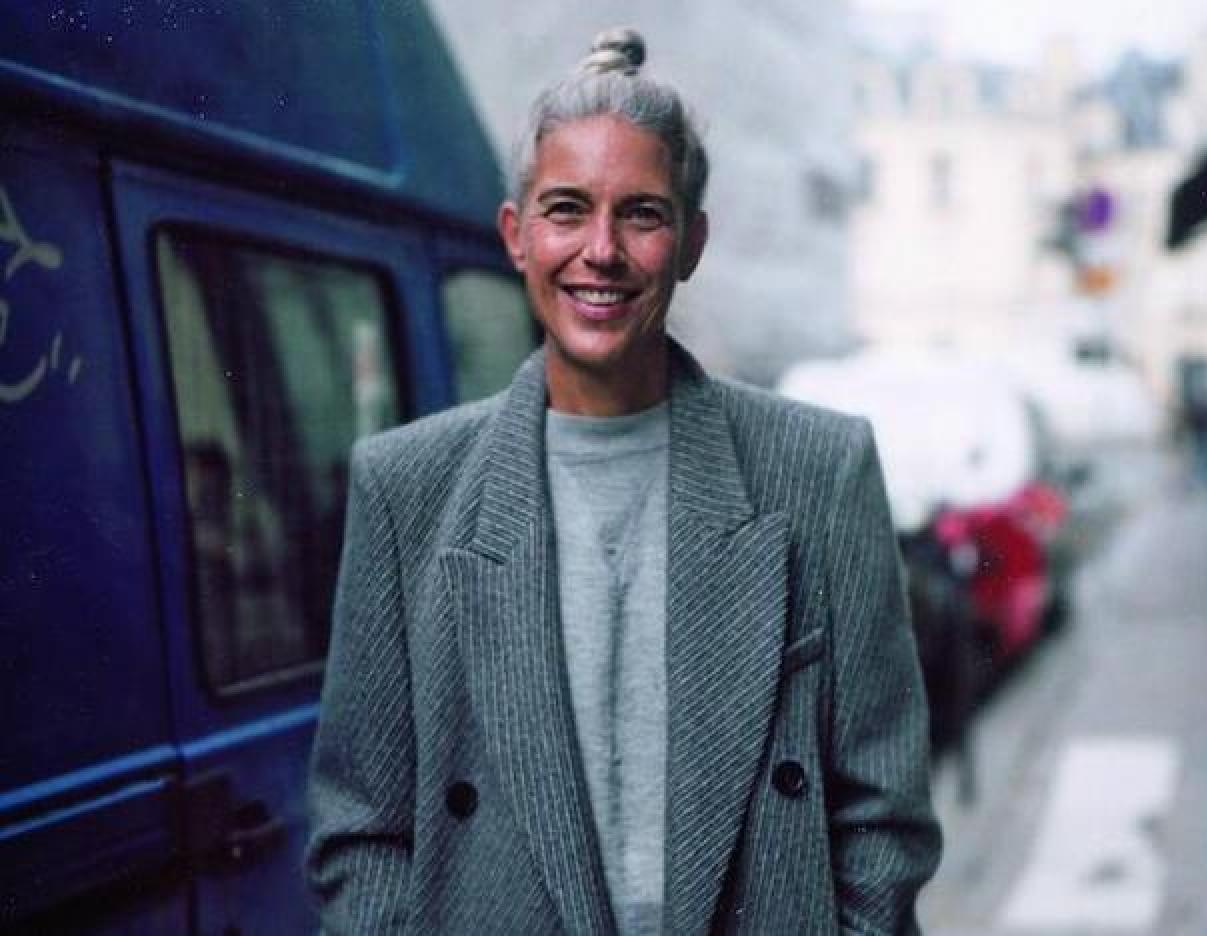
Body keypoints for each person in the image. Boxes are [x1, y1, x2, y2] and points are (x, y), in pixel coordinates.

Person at [306, 27, 941, 934]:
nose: (600, 251)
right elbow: (360, 828)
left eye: (641, 213)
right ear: (516, 236)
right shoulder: (409, 488)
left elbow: (884, 812)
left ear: (690, 242)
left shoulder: (817, 471)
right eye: (567, 210)